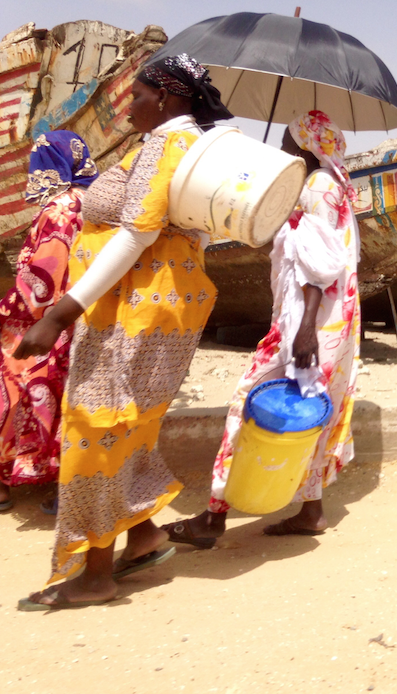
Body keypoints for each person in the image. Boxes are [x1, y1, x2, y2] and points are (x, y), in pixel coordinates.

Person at [14, 53, 232, 611]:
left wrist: (60, 312)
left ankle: (95, 577)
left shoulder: (167, 144)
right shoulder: (185, 147)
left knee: (96, 424)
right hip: (160, 305)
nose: (127, 106)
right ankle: (145, 534)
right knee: (128, 422)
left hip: (132, 309)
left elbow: (136, 233)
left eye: (137, 96)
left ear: (168, 97)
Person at [165, 109, 361, 547]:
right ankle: (311, 510)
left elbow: (319, 267)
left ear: (305, 146)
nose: (284, 148)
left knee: (246, 403)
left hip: (310, 323)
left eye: (290, 141)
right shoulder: (336, 186)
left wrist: (304, 331)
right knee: (310, 413)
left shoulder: (317, 188)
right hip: (334, 322)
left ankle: (212, 518)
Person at [0, 131, 98, 514]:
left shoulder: (59, 208)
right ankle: (65, 482)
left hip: (49, 319)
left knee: (9, 381)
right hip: (86, 315)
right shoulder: (98, 202)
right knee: (71, 401)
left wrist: (8, 308)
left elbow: (43, 277)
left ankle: (3, 483)